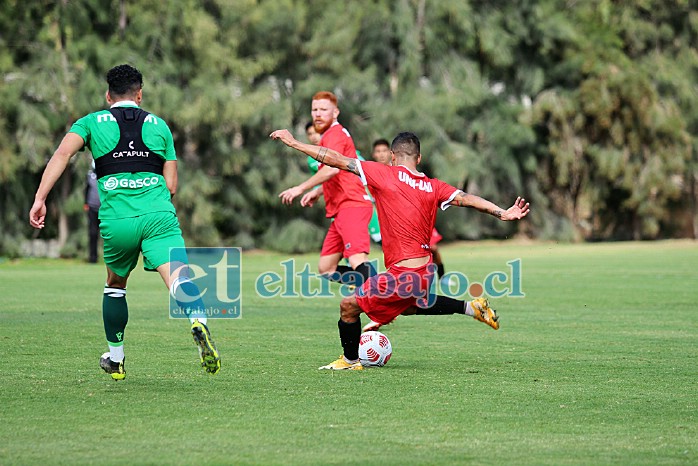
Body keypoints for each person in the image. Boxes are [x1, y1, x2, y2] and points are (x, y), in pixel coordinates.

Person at [270, 129, 529, 370]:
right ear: (419, 157)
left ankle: (350, 360)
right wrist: (501, 212)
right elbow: (468, 199)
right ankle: (472, 308)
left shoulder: (384, 173)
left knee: (348, 306)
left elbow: (335, 159)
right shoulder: (434, 185)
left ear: (392, 157)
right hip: (423, 272)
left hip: (403, 276)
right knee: (408, 306)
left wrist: (294, 143)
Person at [29, 64, 220, 380]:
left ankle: (115, 358)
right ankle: (197, 320)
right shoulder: (159, 125)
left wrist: (40, 198)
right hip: (159, 215)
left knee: (115, 285)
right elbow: (171, 186)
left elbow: (62, 155)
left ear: (108, 95)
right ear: (140, 94)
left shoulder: (90, 122)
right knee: (180, 278)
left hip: (117, 219)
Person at [279, 92, 376, 286]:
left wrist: (301, 188)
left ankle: (381, 300)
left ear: (336, 112)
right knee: (327, 268)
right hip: (340, 210)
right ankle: (378, 288)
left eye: (323, 110)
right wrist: (317, 192)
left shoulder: (335, 134)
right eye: (314, 110)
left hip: (352, 205)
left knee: (357, 260)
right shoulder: (328, 136)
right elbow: (339, 173)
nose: (318, 114)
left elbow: (332, 169)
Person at [371, 138, 448, 281]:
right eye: (377, 151)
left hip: (416, 215)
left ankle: (442, 276)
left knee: (433, 248)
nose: (381, 154)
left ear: (391, 154)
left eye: (384, 151)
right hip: (395, 221)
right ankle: (400, 279)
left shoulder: (399, 171)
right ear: (373, 154)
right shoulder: (374, 174)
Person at [84, 161, 101, 263]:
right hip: (92, 208)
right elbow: (86, 190)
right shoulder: (90, 176)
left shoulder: (106, 175)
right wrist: (85, 203)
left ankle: (110, 258)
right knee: (93, 233)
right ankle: (93, 257)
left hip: (104, 208)